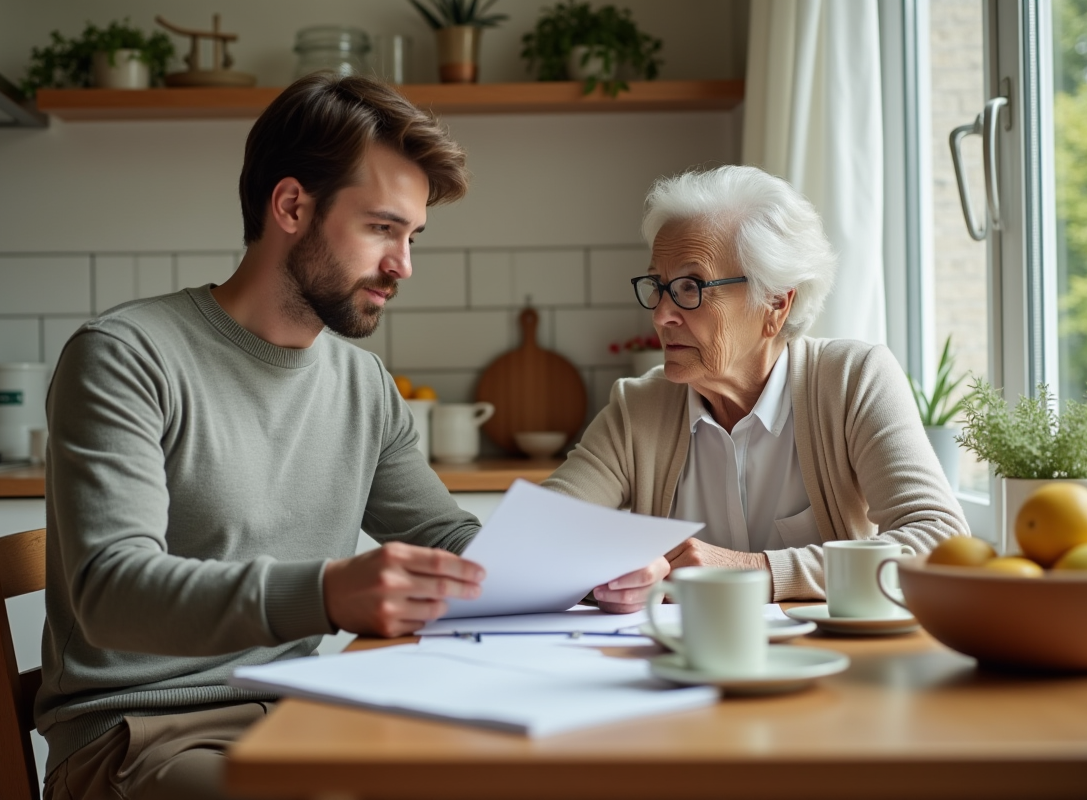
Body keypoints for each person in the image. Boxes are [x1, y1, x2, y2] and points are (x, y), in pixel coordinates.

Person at [36, 74, 665, 800]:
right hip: (139, 738)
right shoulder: (125, 355)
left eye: (411, 236)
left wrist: (582, 572)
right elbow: (110, 591)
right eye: (381, 228)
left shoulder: (363, 384)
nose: (403, 266)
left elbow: (447, 539)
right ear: (291, 206)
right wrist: (330, 592)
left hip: (303, 716)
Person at [543, 164, 967, 602]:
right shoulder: (638, 408)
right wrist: (617, 578)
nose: (661, 315)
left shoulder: (853, 380)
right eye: (659, 285)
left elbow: (939, 541)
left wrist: (750, 570)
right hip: (678, 646)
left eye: (691, 287)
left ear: (775, 304)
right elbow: (537, 540)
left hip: (819, 647)